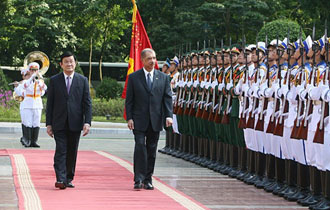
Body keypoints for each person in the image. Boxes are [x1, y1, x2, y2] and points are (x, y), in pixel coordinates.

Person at [125, 48, 173, 190]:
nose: (152, 61)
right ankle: (138, 179)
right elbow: (129, 100)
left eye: (154, 58)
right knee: (140, 147)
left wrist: (169, 115)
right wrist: (129, 118)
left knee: (152, 149)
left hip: (155, 120)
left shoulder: (163, 78)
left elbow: (167, 98)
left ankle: (148, 178)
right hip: (139, 120)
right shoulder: (134, 77)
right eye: (149, 59)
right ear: (143, 60)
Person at [46, 51, 92, 190]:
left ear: (75, 63)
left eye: (71, 61)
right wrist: (48, 124)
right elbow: (50, 103)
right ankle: (60, 178)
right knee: (61, 150)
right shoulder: (54, 80)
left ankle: (68, 178)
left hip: (75, 122)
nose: (69, 64)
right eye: (66, 61)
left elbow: (87, 103)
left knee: (72, 151)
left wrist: (87, 122)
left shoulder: (82, 80)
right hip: (58, 122)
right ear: (61, 64)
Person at [21, 62, 47, 147]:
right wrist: (31, 78)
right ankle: (27, 140)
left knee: (36, 122)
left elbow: (44, 89)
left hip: (37, 104)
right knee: (27, 122)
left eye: (36, 70)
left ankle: (34, 141)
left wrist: (39, 80)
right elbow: (24, 86)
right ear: (29, 70)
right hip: (27, 103)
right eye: (32, 70)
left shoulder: (40, 80)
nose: (34, 72)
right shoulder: (26, 81)